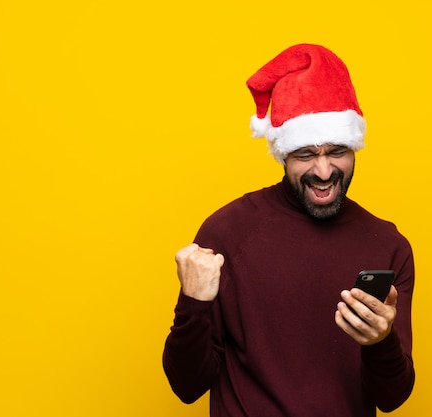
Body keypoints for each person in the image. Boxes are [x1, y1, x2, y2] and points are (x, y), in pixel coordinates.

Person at [163, 43, 415, 417]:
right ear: (283, 154)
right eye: (306, 155)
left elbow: (392, 398)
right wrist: (193, 305)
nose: (325, 171)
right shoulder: (228, 232)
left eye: (337, 151)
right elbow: (187, 386)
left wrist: (380, 342)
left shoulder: (389, 246)